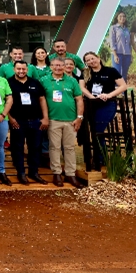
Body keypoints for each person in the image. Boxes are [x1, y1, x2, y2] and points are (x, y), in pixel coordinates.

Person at [41, 57, 84, 188]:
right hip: (53, 119)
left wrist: (79, 117)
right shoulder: (44, 80)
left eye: (60, 65)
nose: (58, 68)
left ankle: (70, 174)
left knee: (69, 147)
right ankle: (57, 173)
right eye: (55, 65)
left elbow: (79, 99)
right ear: (50, 67)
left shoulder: (72, 81)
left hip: (70, 120)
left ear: (65, 67)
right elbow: (40, 99)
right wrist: (44, 117)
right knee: (54, 147)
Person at [80, 52, 127, 170]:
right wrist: (91, 97)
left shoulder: (111, 71)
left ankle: (100, 159)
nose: (91, 61)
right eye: (88, 60)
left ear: (98, 58)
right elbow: (81, 87)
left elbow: (123, 86)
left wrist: (109, 95)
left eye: (92, 58)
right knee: (93, 131)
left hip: (107, 104)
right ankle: (99, 157)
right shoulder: (85, 73)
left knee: (98, 130)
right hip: (91, 104)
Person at [8, 60, 49, 185]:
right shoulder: (8, 82)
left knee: (35, 147)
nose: (21, 71)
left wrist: (45, 117)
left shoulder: (35, 82)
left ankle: (34, 172)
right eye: (18, 69)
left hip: (35, 120)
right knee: (18, 148)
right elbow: (5, 101)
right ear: (14, 69)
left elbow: (42, 99)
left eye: (23, 69)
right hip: (17, 121)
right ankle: (21, 173)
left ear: (27, 69)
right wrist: (10, 118)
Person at [108, 11, 132, 80]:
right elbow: (112, 41)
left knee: (124, 74)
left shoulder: (126, 29)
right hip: (117, 54)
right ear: (117, 18)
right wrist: (115, 55)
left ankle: (124, 87)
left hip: (127, 54)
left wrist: (131, 55)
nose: (122, 18)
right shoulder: (113, 28)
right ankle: (116, 87)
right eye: (120, 16)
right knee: (117, 74)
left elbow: (129, 43)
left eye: (124, 16)